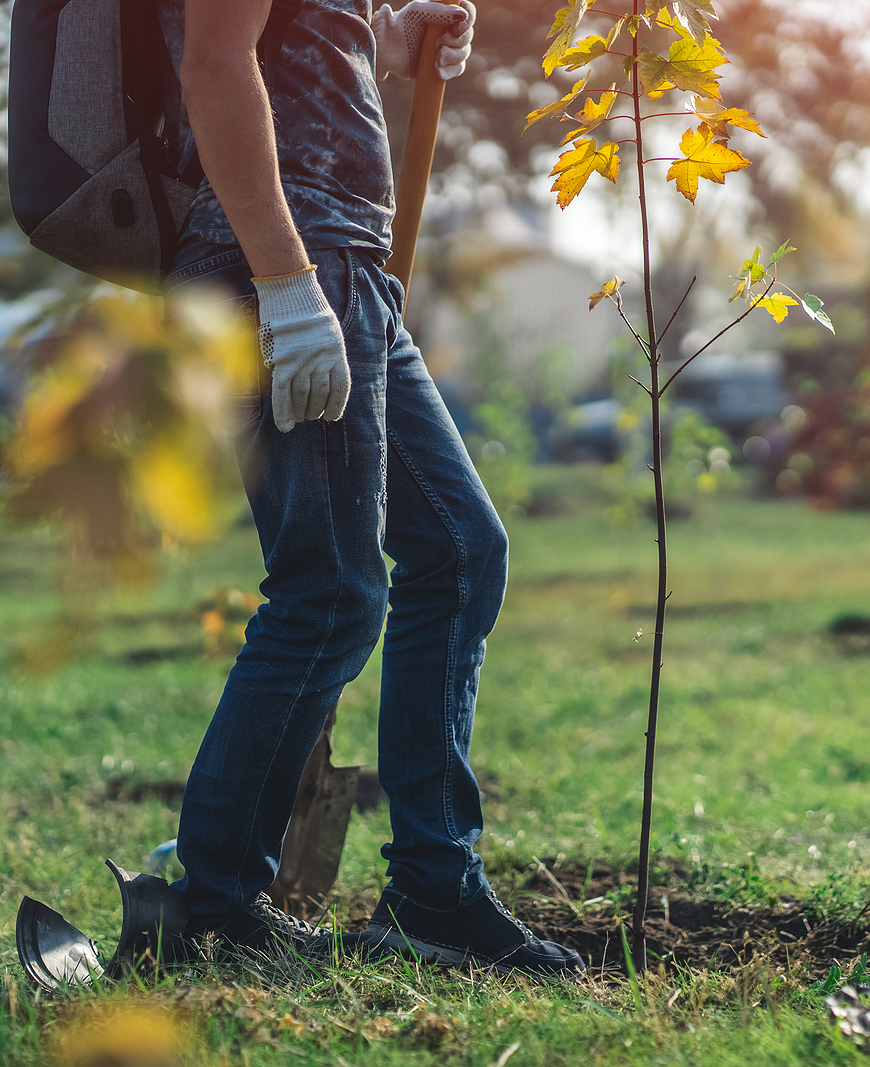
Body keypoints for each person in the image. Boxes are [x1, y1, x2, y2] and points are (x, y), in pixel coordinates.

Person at [161, 0, 583, 977]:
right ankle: (210, 910)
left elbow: (288, 44)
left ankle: (433, 886)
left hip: (344, 265)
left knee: (459, 549)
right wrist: (282, 283)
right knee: (330, 591)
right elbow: (216, 65)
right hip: (296, 260)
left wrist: (378, 37)